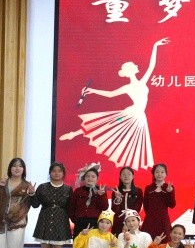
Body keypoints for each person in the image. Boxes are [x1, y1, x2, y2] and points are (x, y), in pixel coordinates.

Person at [59, 37, 169, 170]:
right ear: (131, 70)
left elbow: (152, 66)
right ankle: (74, 134)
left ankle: (127, 166)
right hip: (130, 114)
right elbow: (110, 94)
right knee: (109, 125)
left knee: (134, 140)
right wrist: (92, 90)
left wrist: (155, 45)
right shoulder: (128, 87)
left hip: (139, 117)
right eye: (134, 66)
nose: (137, 66)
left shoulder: (142, 82)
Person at [31, 162, 72, 248]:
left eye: (59, 171)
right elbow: (35, 205)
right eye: (54, 171)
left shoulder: (68, 189)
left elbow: (71, 207)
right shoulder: (42, 187)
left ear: (63, 173)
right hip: (45, 220)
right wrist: (32, 194)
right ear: (50, 173)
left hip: (60, 222)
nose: (56, 173)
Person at [68, 163, 109, 248]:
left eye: (93, 176)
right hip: (80, 223)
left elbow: (104, 207)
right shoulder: (78, 191)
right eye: (87, 176)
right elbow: (71, 208)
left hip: (94, 223)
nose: (90, 178)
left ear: (97, 178)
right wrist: (76, 220)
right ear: (84, 178)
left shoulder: (100, 190)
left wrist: (101, 195)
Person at [141, 163, 176, 239]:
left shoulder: (169, 187)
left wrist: (170, 192)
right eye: (157, 172)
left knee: (164, 241)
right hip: (150, 220)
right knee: (147, 241)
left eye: (162, 172)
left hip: (163, 220)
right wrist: (152, 215)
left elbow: (172, 205)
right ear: (153, 173)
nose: (159, 174)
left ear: (166, 174)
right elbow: (146, 205)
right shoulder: (148, 188)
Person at [110, 167, 143, 235]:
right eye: (124, 174)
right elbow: (114, 209)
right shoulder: (116, 191)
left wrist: (127, 223)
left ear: (133, 176)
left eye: (129, 174)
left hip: (133, 222)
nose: (126, 176)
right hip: (118, 222)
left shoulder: (138, 191)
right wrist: (118, 199)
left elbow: (137, 209)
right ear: (120, 177)